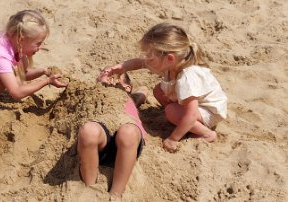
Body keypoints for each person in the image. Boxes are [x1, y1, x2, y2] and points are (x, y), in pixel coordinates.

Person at [104, 22, 227, 152]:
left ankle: (206, 133)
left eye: (150, 59)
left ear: (169, 58)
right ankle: (181, 119)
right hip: (195, 105)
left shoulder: (187, 77)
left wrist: (173, 138)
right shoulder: (173, 64)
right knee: (158, 90)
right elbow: (140, 63)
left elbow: (191, 114)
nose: (147, 61)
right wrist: (122, 67)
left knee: (170, 111)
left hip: (210, 111)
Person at [77, 69, 148, 198]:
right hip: (99, 138)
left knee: (128, 133)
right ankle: (90, 189)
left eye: (115, 74)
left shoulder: (129, 98)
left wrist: (125, 88)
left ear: (127, 87)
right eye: (105, 72)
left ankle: (115, 194)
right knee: (88, 131)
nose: (110, 74)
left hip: (128, 142)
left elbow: (144, 89)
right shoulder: (92, 93)